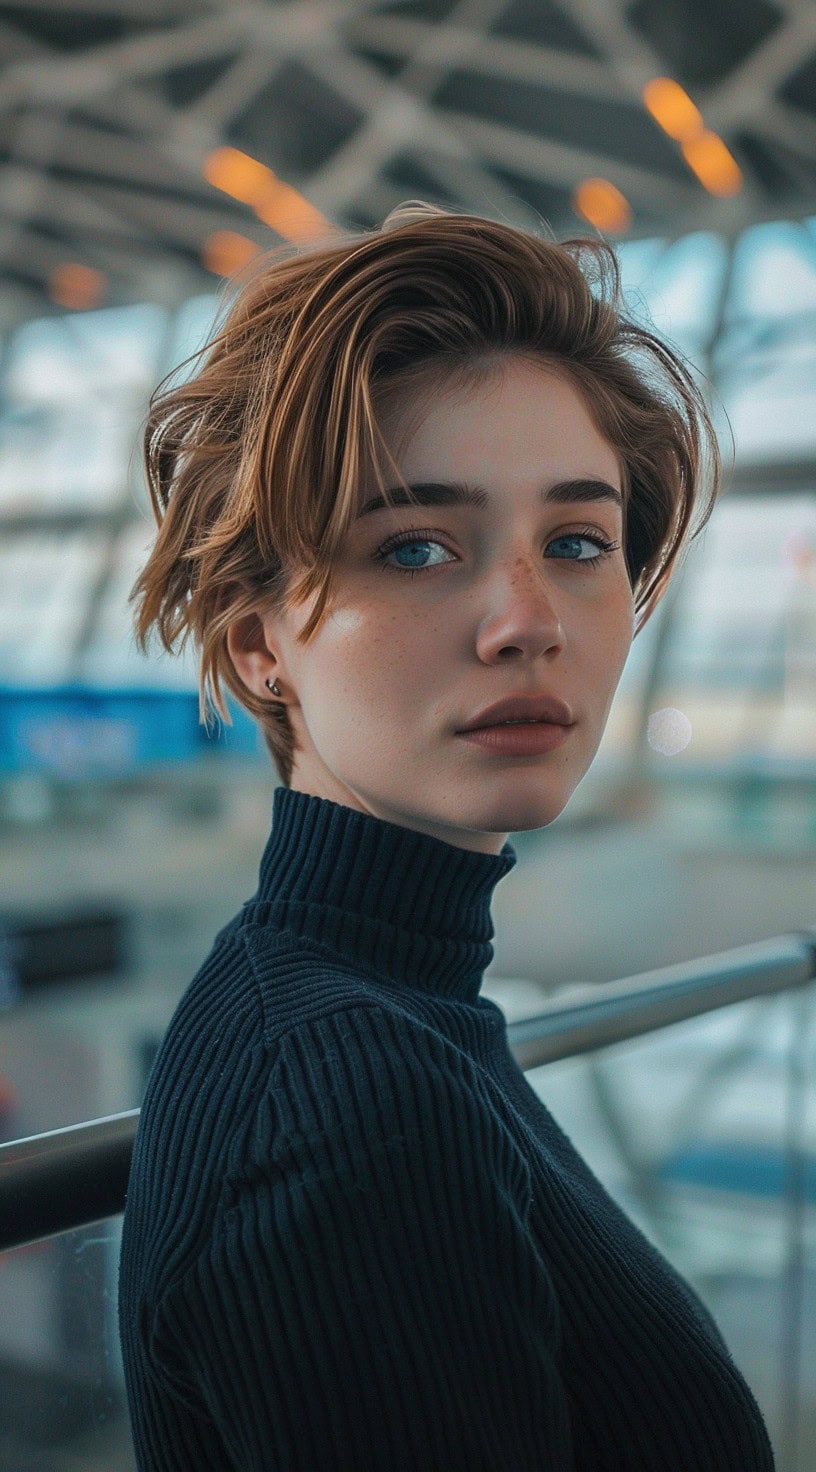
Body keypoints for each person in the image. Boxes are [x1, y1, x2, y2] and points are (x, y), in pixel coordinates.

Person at [118, 201, 775, 1470]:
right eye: (416, 546)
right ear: (260, 641)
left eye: (577, 540)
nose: (526, 620)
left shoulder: (373, 1010)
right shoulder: (348, 1094)